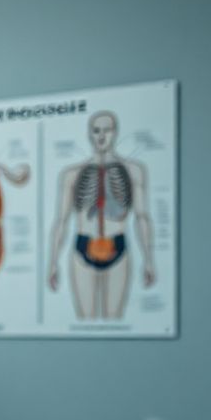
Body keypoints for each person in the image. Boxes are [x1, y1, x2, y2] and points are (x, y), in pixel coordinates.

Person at [46, 111, 155, 319]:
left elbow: (142, 216)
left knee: (114, 320)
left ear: (115, 133)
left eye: (107, 130)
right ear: (89, 135)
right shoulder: (71, 174)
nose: (101, 136)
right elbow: (61, 220)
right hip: (82, 248)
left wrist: (149, 259)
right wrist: (52, 261)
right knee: (85, 321)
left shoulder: (134, 171)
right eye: (96, 131)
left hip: (118, 247)